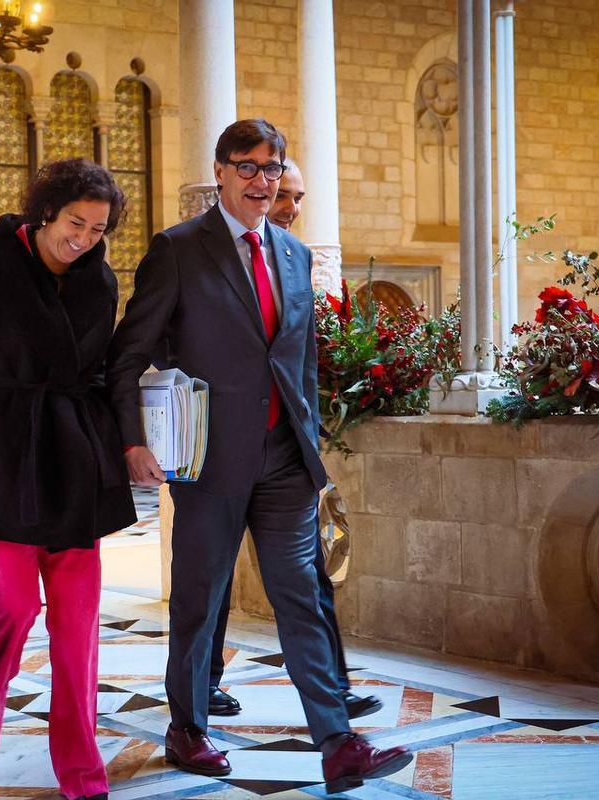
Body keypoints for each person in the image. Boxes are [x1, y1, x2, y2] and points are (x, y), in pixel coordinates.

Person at [105, 120, 411, 792]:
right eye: (247, 167)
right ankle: (187, 727)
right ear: (219, 172)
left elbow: (297, 361)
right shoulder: (178, 250)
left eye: (271, 169)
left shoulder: (296, 256)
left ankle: (337, 744)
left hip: (283, 464)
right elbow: (130, 353)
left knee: (301, 597)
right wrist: (133, 439)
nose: (261, 182)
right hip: (209, 464)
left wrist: (308, 439)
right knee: (199, 601)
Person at [0, 158, 136, 800]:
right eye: (77, 222)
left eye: (99, 229)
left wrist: (127, 443)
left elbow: (105, 372)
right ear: (46, 212)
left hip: (74, 464)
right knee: (14, 602)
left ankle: (81, 768)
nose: (86, 238)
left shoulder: (101, 282)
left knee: (79, 628)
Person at [206, 158, 382, 723]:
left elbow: (301, 352)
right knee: (211, 577)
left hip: (287, 451)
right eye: (286, 195)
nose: (291, 206)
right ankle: (201, 687)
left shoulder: (292, 257)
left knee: (310, 574)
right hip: (221, 449)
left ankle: (332, 689)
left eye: (298, 197)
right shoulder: (209, 251)